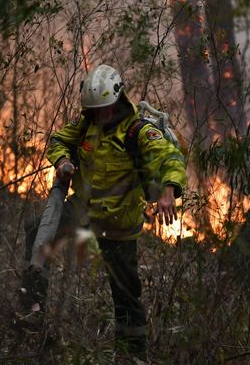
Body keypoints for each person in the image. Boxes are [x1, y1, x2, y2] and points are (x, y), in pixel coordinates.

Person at [26, 64, 188, 360]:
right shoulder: (86, 122)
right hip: (84, 207)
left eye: (105, 110)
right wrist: (63, 161)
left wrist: (168, 192)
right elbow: (59, 140)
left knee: (126, 295)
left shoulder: (139, 130)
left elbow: (171, 158)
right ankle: (33, 309)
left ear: (117, 101)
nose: (100, 116)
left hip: (119, 222)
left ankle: (131, 355)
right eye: (95, 111)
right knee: (37, 231)